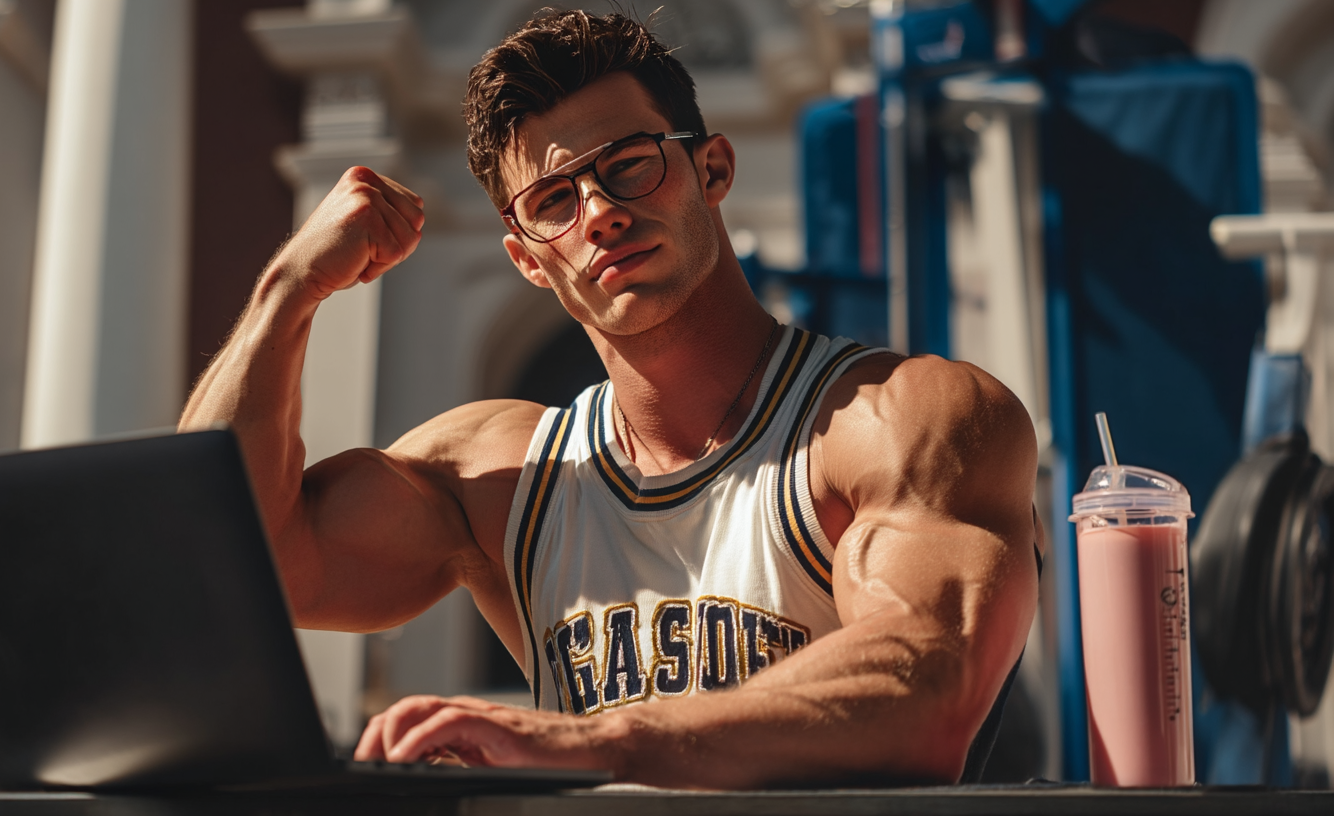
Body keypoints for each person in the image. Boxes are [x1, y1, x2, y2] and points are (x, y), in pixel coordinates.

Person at [180, 9, 1040, 789]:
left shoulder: (902, 417)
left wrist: (597, 741)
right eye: (553, 200)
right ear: (528, 258)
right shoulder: (503, 474)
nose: (598, 213)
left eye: (627, 165)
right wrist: (289, 289)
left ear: (712, 168)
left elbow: (925, 686)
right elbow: (230, 565)